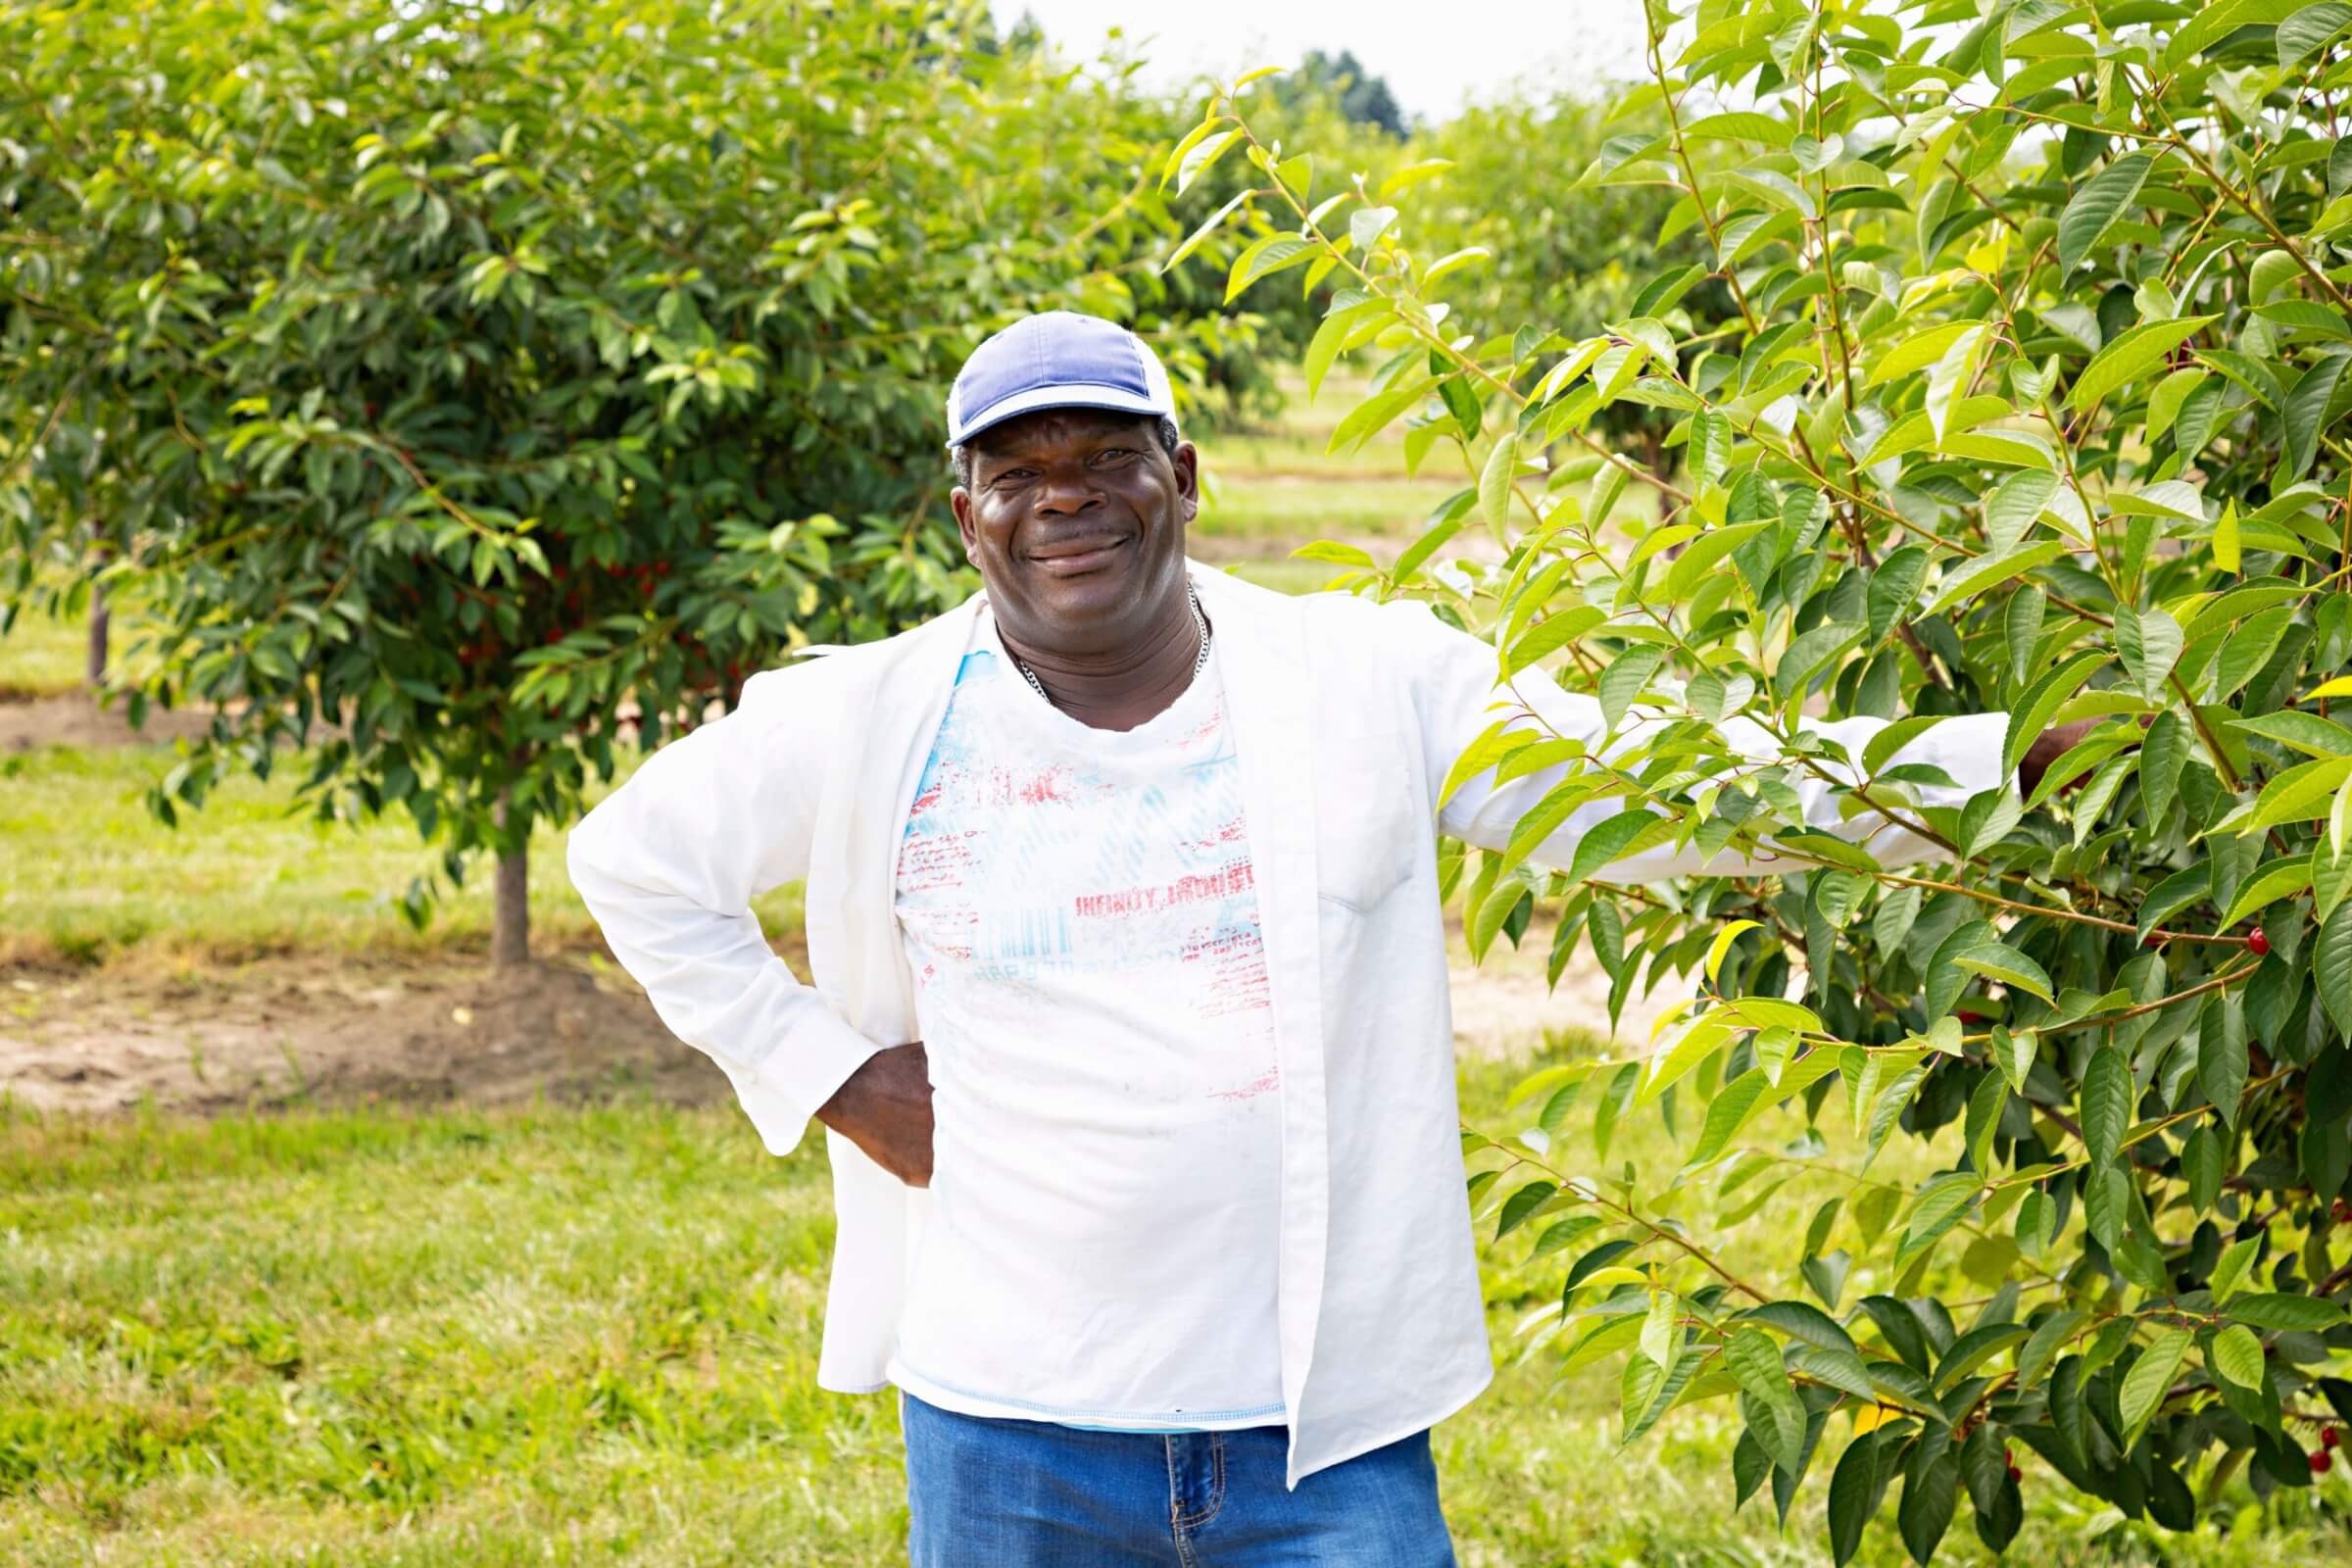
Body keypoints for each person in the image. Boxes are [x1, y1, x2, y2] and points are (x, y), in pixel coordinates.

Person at [565, 311, 2023, 1565]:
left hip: (1321, 1433)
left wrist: (2002, 763)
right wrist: (829, 1075)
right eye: (1018, 476)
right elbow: (631, 857)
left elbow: (1646, 787)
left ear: (1182, 481)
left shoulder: (1363, 678)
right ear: (967, 520)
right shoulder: (885, 714)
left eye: (1104, 461)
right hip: (1010, 1422)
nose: (1063, 501)